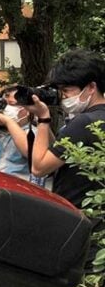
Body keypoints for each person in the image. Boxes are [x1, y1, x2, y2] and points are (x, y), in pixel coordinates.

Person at [25, 48, 105, 211]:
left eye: (66, 90)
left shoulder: (83, 123)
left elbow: (39, 168)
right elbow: (61, 152)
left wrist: (43, 118)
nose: (63, 97)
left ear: (91, 87)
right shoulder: (97, 119)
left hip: (78, 217)